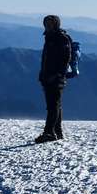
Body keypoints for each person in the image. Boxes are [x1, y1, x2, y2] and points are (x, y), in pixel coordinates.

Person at [36, 15, 72, 143]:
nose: (48, 26)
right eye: (46, 23)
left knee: (53, 106)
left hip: (56, 78)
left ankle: (49, 132)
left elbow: (66, 59)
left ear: (56, 24)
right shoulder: (49, 37)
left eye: (50, 23)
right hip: (48, 77)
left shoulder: (61, 38)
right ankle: (57, 132)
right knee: (54, 105)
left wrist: (57, 75)